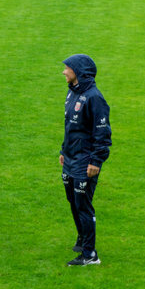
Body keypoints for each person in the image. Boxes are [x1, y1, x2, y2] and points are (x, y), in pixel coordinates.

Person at [60, 54, 112, 266]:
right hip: (71, 158)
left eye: (67, 68)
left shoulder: (94, 98)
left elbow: (103, 134)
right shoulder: (72, 93)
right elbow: (70, 127)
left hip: (86, 161)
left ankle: (90, 255)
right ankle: (82, 239)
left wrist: (96, 162)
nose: (64, 71)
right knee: (72, 200)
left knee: (83, 205)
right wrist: (64, 150)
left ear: (79, 72)